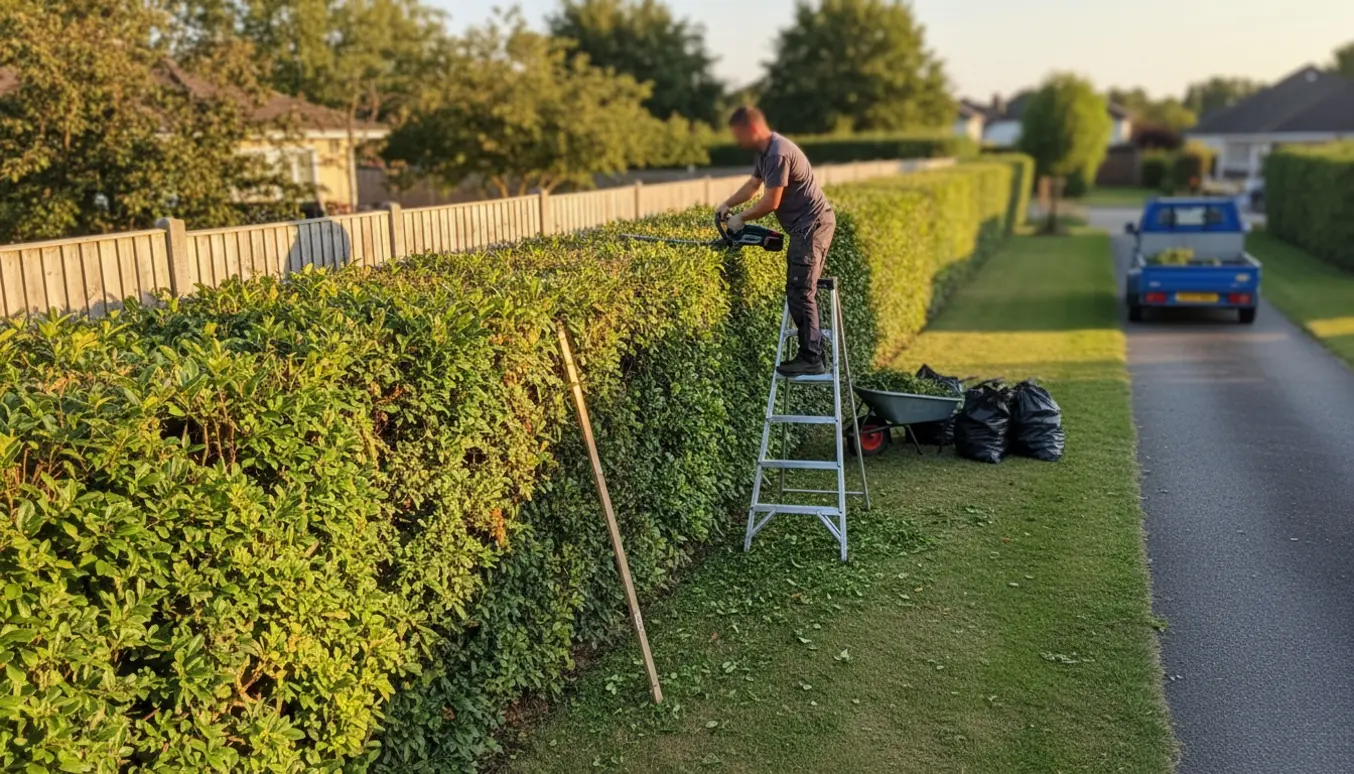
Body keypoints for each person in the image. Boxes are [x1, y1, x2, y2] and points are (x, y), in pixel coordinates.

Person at [717, 106, 836, 377]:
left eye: (739, 135)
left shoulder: (777, 153)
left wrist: (741, 219)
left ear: (752, 129)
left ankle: (811, 358)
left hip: (811, 226)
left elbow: (771, 202)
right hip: (806, 227)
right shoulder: (766, 152)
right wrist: (727, 204)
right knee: (800, 288)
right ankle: (812, 352)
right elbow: (752, 187)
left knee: (800, 289)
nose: (737, 142)